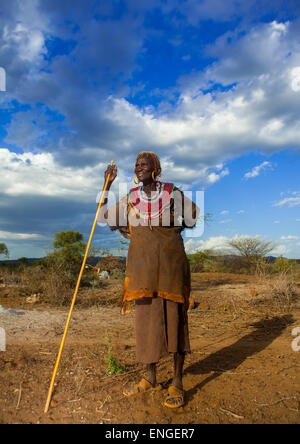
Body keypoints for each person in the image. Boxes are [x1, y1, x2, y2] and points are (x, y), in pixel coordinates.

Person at [98, 152, 199, 408]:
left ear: (156, 169)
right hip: (142, 271)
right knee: (146, 325)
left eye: (144, 164)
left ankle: (177, 382)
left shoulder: (171, 192)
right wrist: (107, 185)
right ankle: (150, 377)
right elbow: (104, 218)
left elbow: (193, 217)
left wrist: (170, 216)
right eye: (136, 165)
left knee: (175, 321)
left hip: (171, 269)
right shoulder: (131, 198)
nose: (138, 168)